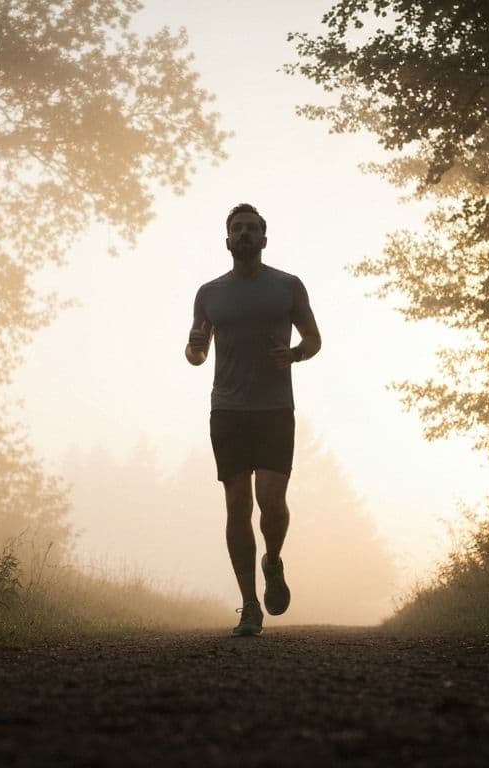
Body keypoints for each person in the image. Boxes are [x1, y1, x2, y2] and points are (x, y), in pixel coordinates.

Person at [185, 203, 321, 637]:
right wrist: (193, 348)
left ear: (264, 239)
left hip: (275, 409)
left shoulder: (288, 286)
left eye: (252, 229)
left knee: (271, 503)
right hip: (227, 409)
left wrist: (295, 355)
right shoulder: (209, 293)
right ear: (227, 240)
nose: (244, 234)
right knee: (237, 505)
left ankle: (273, 560)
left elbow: (314, 339)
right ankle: (248, 605)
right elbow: (196, 353)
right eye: (237, 229)